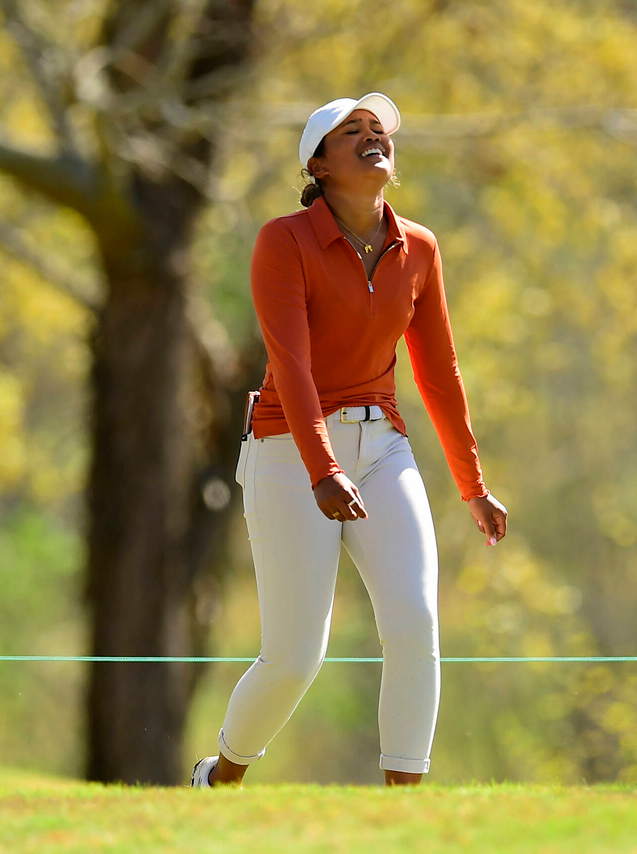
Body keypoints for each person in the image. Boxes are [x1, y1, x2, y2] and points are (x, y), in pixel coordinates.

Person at [190, 94, 509, 789]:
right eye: (353, 133)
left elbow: (439, 372)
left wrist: (472, 484)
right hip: (287, 452)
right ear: (319, 165)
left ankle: (403, 810)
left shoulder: (418, 247)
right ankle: (221, 777)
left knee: (415, 621)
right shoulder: (284, 240)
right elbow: (291, 365)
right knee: (296, 656)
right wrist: (322, 466)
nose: (373, 139)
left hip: (382, 446)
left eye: (379, 131)